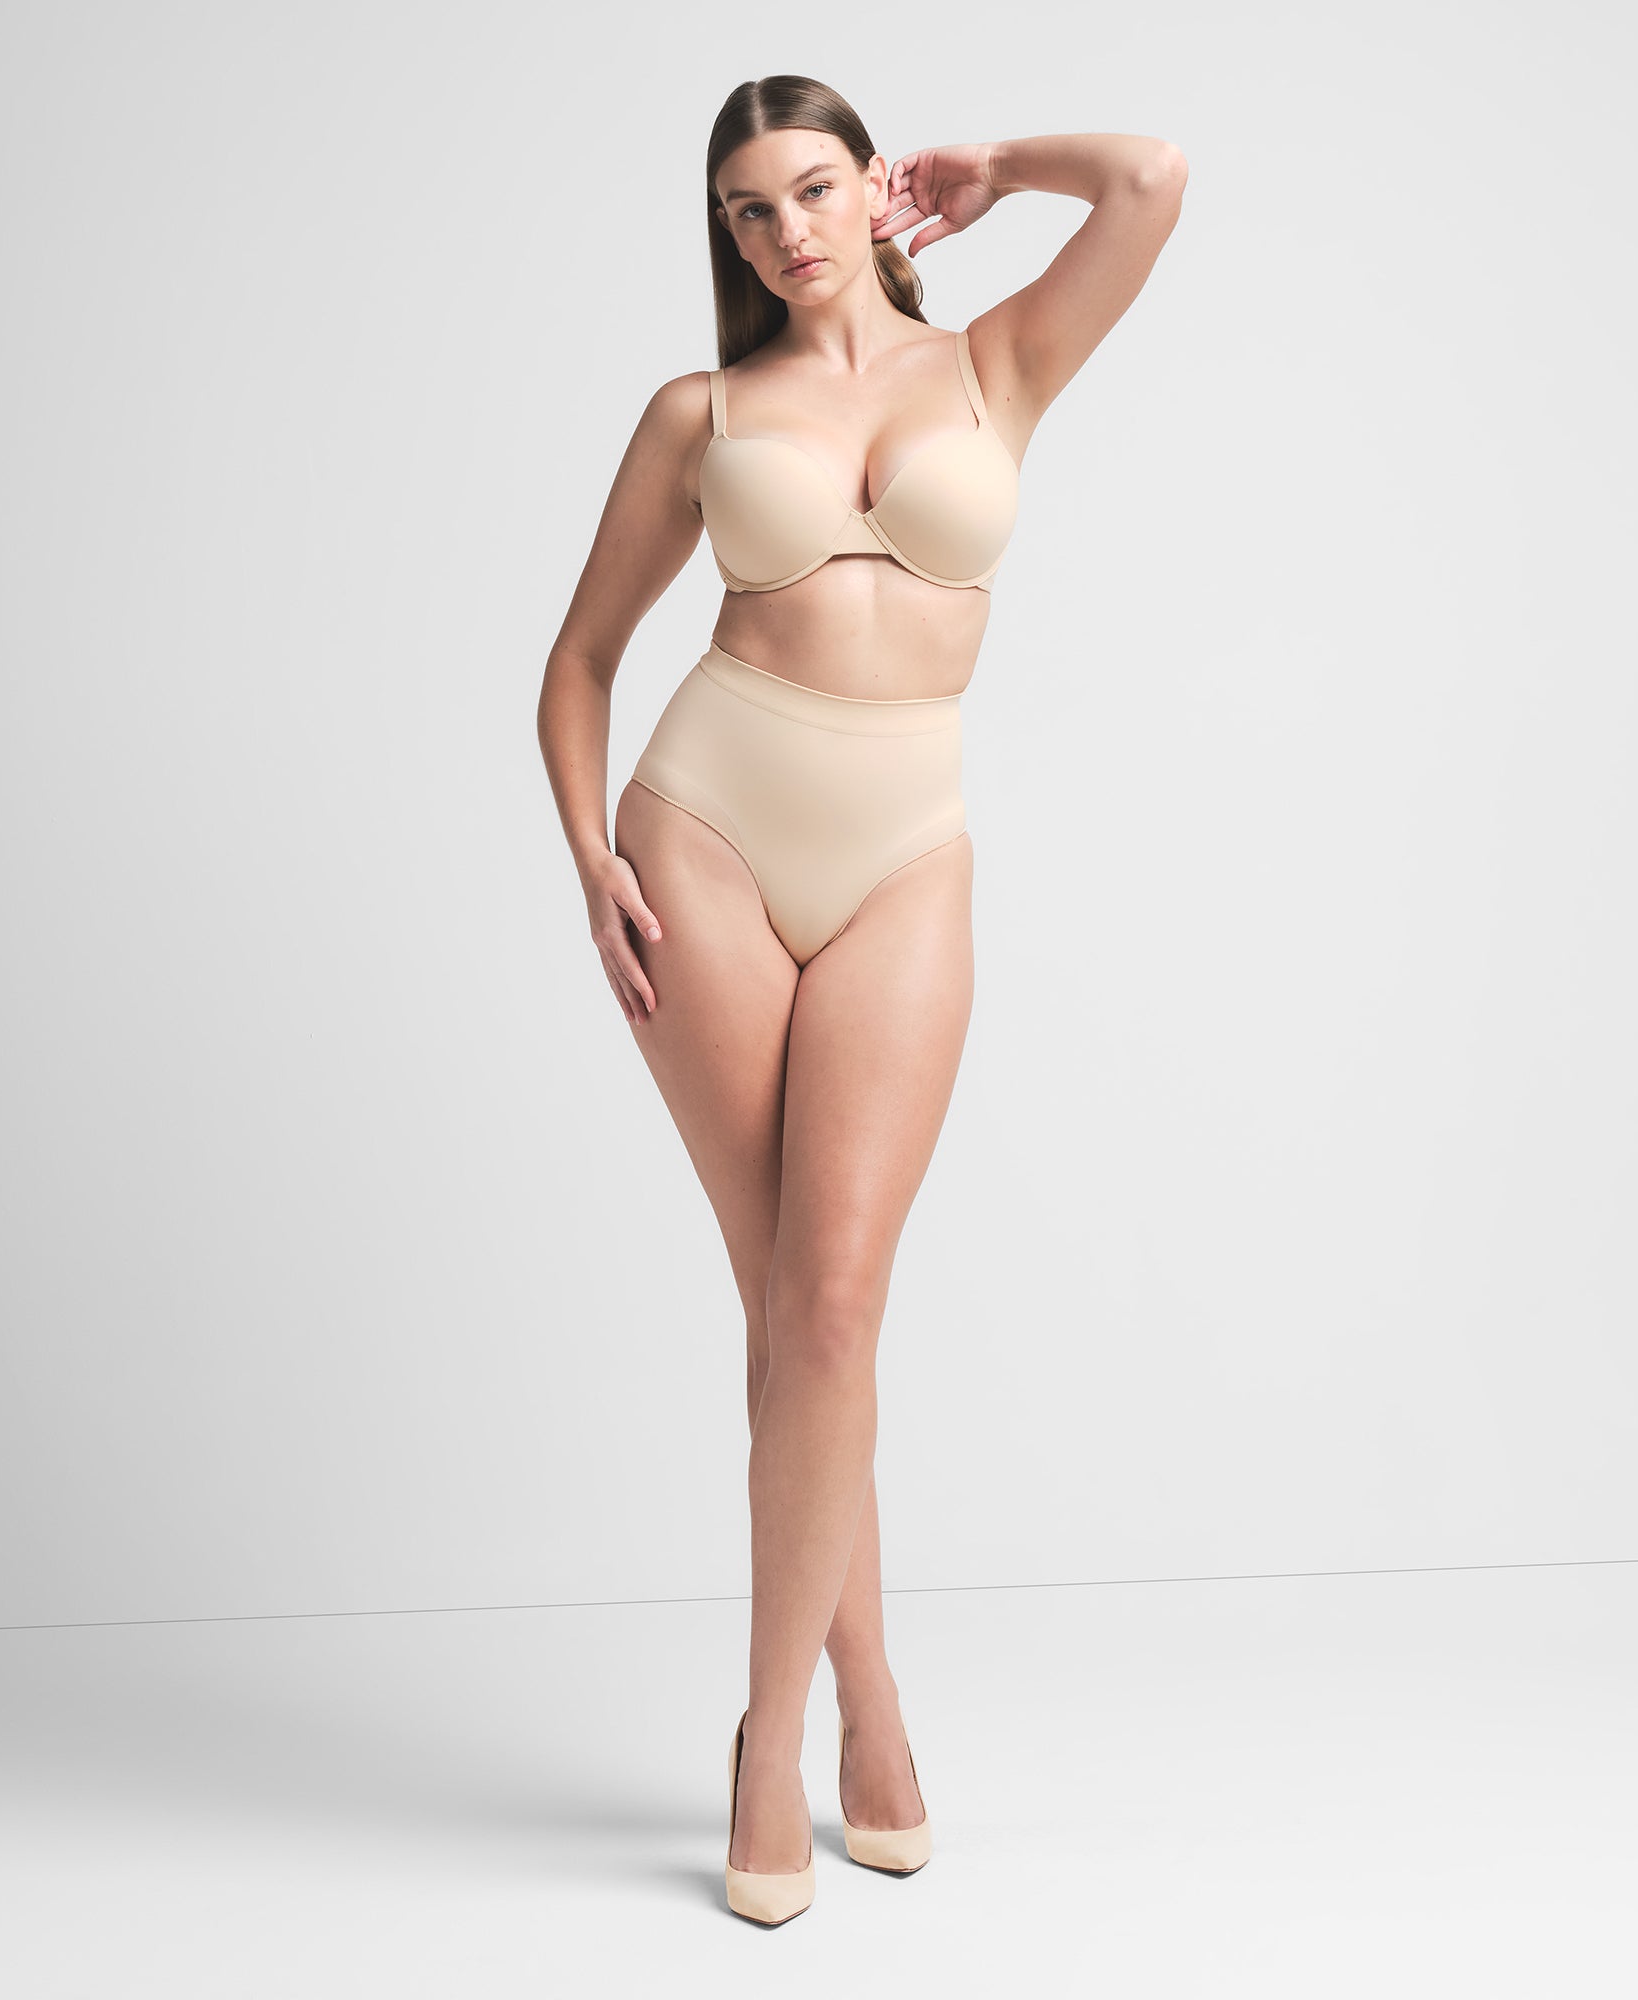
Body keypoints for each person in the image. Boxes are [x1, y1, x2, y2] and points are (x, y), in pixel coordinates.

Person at [534, 75, 1186, 1926]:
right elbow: (579, 661)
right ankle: (795, 1735)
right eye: (748, 209)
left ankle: (851, 1696)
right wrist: (589, 861)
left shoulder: (996, 365)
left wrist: (998, 170)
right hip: (705, 835)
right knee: (795, 1316)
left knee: (828, 1307)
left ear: (869, 184)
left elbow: (1152, 179)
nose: (785, 232)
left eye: (813, 189)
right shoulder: (702, 411)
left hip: (906, 847)